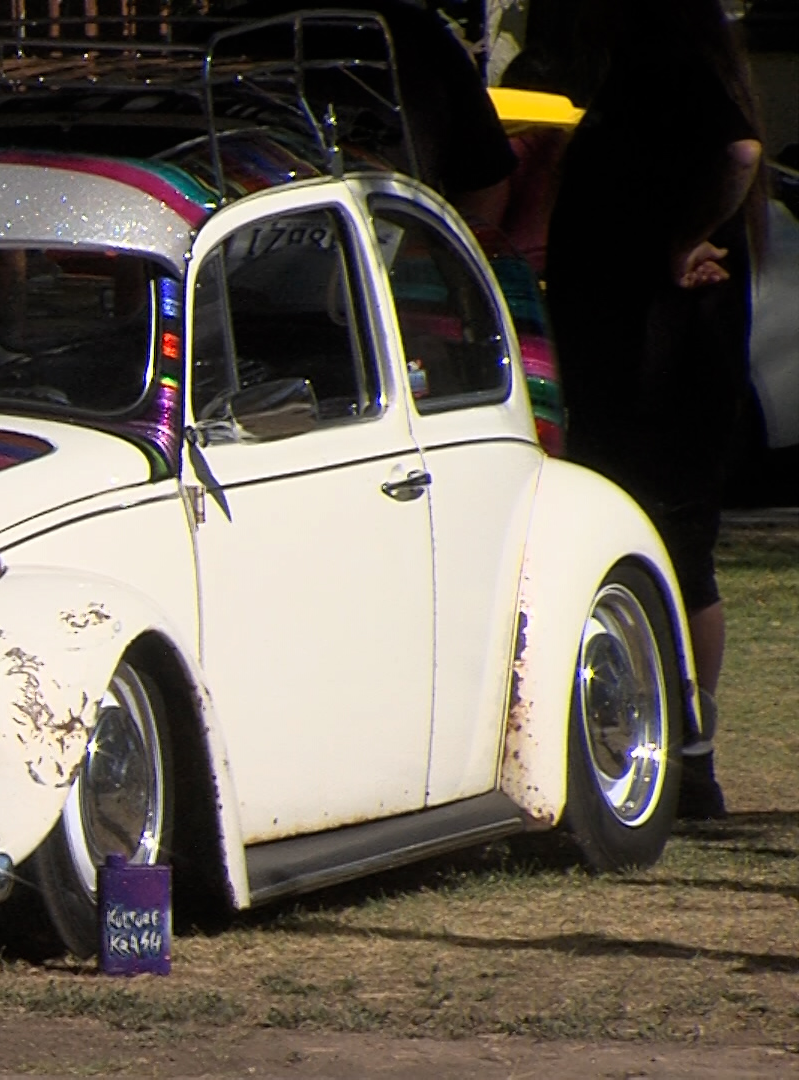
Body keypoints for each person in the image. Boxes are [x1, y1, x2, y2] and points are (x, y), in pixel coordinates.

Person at [544, 0, 764, 821]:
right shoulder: (642, 79)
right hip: (626, 367)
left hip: (659, 377)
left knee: (678, 547)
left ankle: (693, 753)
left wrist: (687, 238)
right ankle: (660, 736)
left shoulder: (668, 70)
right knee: (655, 548)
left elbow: (739, 150)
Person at [236, 0, 519, 226]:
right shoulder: (222, 40)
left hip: (390, 269)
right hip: (238, 267)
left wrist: (430, 266)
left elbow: (485, 182)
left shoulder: (417, 37)